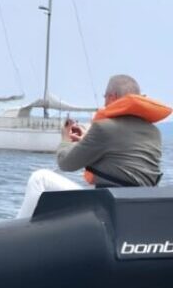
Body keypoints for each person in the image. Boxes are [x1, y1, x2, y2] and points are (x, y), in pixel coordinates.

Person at [16, 74, 171, 218]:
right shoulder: (154, 133)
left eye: (105, 97)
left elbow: (66, 163)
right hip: (135, 205)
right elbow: (120, 159)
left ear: (112, 97)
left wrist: (65, 139)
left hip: (108, 203)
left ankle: (16, 232)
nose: (104, 103)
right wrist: (86, 139)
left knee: (39, 178)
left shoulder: (104, 128)